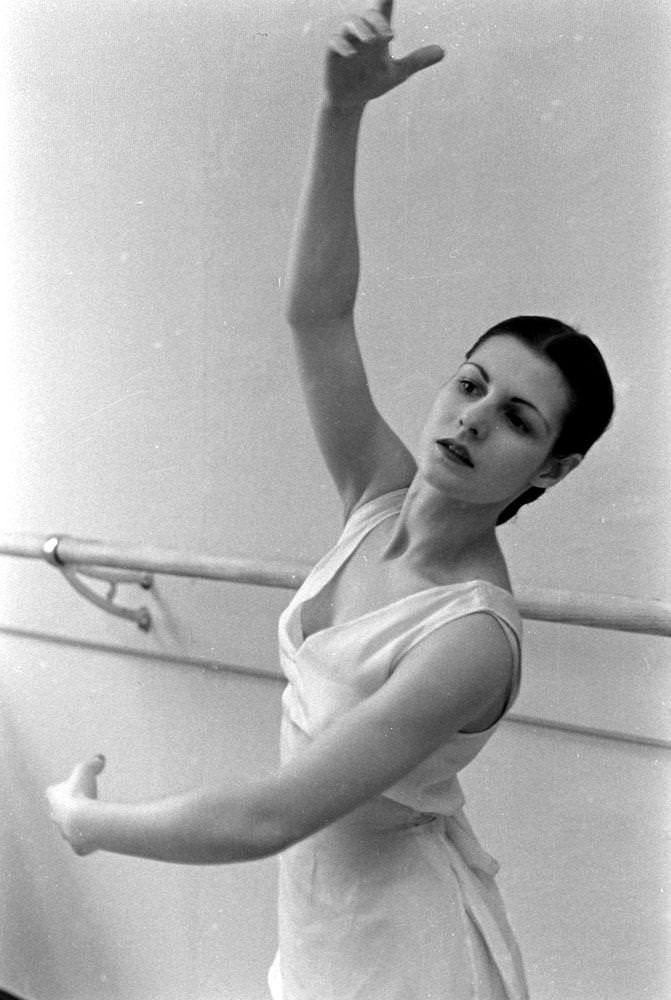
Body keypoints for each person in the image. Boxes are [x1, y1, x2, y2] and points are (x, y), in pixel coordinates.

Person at [47, 3, 614, 998]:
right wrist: (336, 112)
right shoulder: (376, 489)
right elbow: (317, 313)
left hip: (406, 949)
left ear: (548, 470)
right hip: (321, 917)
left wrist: (84, 822)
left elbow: (264, 817)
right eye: (470, 382)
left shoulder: (470, 639)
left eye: (517, 418)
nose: (473, 417)